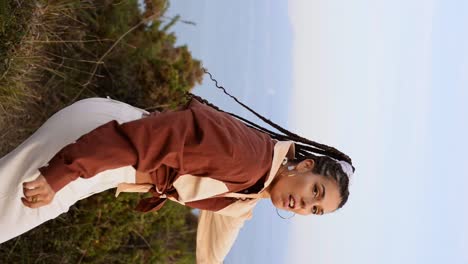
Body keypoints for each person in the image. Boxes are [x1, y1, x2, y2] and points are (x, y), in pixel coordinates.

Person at [0, 85, 354, 263]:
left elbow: (228, 223)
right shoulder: (249, 160)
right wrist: (63, 172)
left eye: (314, 210)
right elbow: (158, 137)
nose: (305, 204)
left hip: (106, 149)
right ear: (306, 167)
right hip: (104, 142)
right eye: (316, 192)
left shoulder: (255, 185)